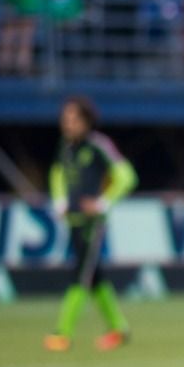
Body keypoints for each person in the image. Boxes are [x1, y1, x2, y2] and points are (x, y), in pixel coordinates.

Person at [43, 96, 138, 352]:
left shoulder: (98, 145)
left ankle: (62, 333)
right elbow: (57, 173)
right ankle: (119, 328)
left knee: (80, 277)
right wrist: (60, 201)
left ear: (87, 121)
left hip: (91, 223)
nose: (68, 124)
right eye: (65, 119)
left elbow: (127, 176)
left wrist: (103, 203)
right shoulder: (66, 147)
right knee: (95, 278)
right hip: (74, 220)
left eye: (73, 119)